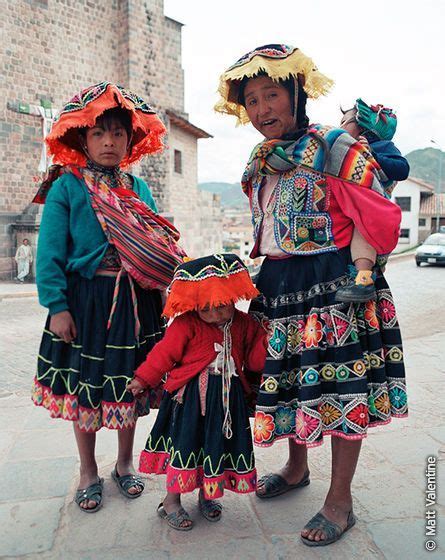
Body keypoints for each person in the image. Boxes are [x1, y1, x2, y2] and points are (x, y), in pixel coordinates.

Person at [215, 44, 407, 546]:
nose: (261, 110)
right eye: (251, 101)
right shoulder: (261, 160)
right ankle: (296, 467)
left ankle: (339, 502)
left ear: (297, 94)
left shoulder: (334, 146)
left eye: (271, 94)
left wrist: (362, 265)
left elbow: (378, 211)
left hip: (332, 288)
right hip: (277, 286)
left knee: (344, 391)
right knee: (287, 387)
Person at [31, 82, 185, 513]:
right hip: (85, 302)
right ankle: (87, 471)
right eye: (99, 134)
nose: (109, 141)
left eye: (118, 133)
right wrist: (57, 306)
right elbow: (50, 253)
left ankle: (123, 463)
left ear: (129, 141)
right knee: (86, 389)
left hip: (136, 301)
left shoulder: (138, 188)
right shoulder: (67, 188)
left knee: (128, 385)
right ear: (83, 139)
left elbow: (157, 242)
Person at [127, 253, 268, 531]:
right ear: (194, 305)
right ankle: (171, 502)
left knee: (215, 446)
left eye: (221, 306)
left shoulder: (243, 324)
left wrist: (268, 340)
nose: (215, 314)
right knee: (186, 446)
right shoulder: (185, 324)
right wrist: (143, 379)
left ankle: (208, 495)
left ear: (231, 297)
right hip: (191, 401)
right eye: (206, 309)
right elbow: (163, 355)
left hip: (227, 403)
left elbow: (254, 362)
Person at [335, 99, 410, 302]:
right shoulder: (340, 148)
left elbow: (402, 169)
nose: (339, 127)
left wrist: (372, 153)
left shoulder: (382, 146)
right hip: (348, 206)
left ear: (363, 126)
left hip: (370, 209)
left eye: (344, 121)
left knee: (363, 231)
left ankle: (363, 278)